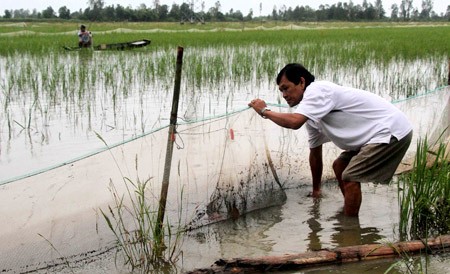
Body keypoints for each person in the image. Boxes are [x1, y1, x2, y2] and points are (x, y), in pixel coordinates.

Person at [248, 63, 413, 217]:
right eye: (281, 91)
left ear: (301, 82)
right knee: (340, 166)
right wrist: (316, 190)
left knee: (350, 176)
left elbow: (294, 122)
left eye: (286, 88)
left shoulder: (317, 91)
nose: (284, 95)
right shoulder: (310, 113)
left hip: (391, 131)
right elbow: (315, 152)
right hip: (376, 135)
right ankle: (349, 213)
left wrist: (264, 111)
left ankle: (350, 228)